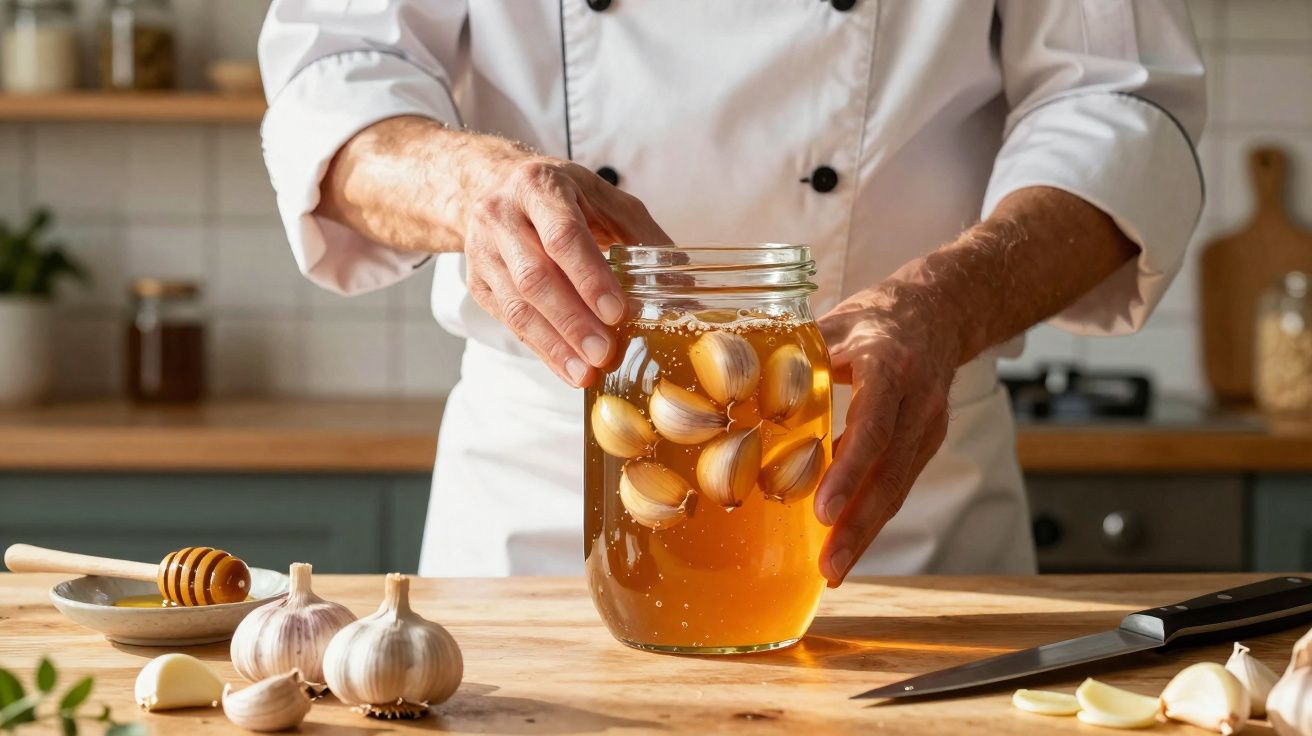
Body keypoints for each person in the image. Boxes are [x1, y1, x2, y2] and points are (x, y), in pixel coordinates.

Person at [258, 1, 1204, 584]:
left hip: (889, 506)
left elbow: (1117, 108)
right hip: (539, 519)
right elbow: (329, 85)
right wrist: (472, 187)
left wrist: (941, 303)